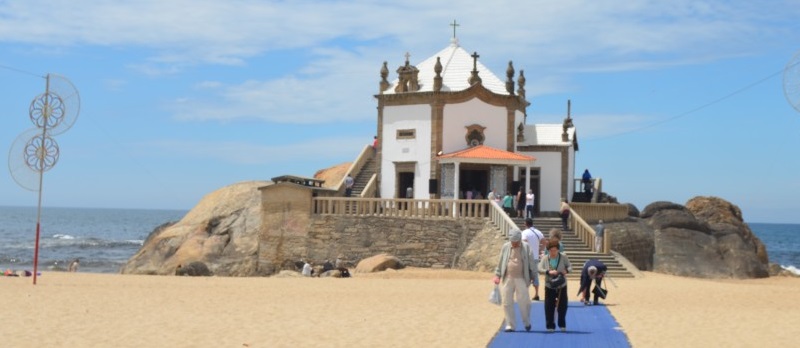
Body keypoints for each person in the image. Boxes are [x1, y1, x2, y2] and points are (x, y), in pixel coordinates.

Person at [493, 229, 537, 332]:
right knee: (507, 302)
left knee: (524, 302)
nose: (514, 243)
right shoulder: (505, 247)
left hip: (521, 278)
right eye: (513, 241)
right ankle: (510, 325)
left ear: (520, 239)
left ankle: (526, 322)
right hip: (508, 277)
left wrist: (533, 276)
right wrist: (497, 275)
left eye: (516, 241)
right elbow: (500, 262)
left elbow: (532, 263)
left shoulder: (526, 247)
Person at [539, 239, 572, 332]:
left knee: (563, 305)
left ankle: (562, 324)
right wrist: (548, 271)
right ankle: (550, 325)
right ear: (548, 250)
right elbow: (539, 268)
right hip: (549, 285)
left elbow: (570, 266)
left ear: (558, 249)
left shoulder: (563, 257)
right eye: (551, 250)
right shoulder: (545, 258)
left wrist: (566, 271)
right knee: (549, 306)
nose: (553, 252)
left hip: (561, 285)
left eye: (555, 250)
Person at [521, 218, 546, 301]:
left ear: (525, 224)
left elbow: (524, 242)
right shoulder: (538, 232)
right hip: (535, 257)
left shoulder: (524, 232)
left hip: (527, 257)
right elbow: (544, 242)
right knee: (535, 276)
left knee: (525, 275)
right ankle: (536, 294)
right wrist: (540, 250)